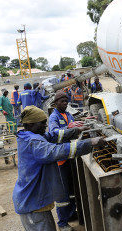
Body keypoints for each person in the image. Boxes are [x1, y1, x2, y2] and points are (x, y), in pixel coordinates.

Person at [12, 106, 105, 231]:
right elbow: (55, 151)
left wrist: (76, 130)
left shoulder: (29, 135)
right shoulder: (34, 142)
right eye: (42, 123)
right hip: (32, 206)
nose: (45, 126)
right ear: (30, 124)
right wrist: (89, 143)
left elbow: (53, 135)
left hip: (34, 203)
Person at [48, 90, 80, 230]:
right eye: (62, 101)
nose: (65, 103)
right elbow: (55, 134)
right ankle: (62, 223)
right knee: (62, 193)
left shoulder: (67, 114)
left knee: (72, 190)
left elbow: (74, 128)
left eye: (66, 101)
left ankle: (71, 214)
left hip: (70, 157)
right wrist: (69, 127)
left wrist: (79, 124)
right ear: (56, 103)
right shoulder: (53, 117)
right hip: (61, 160)